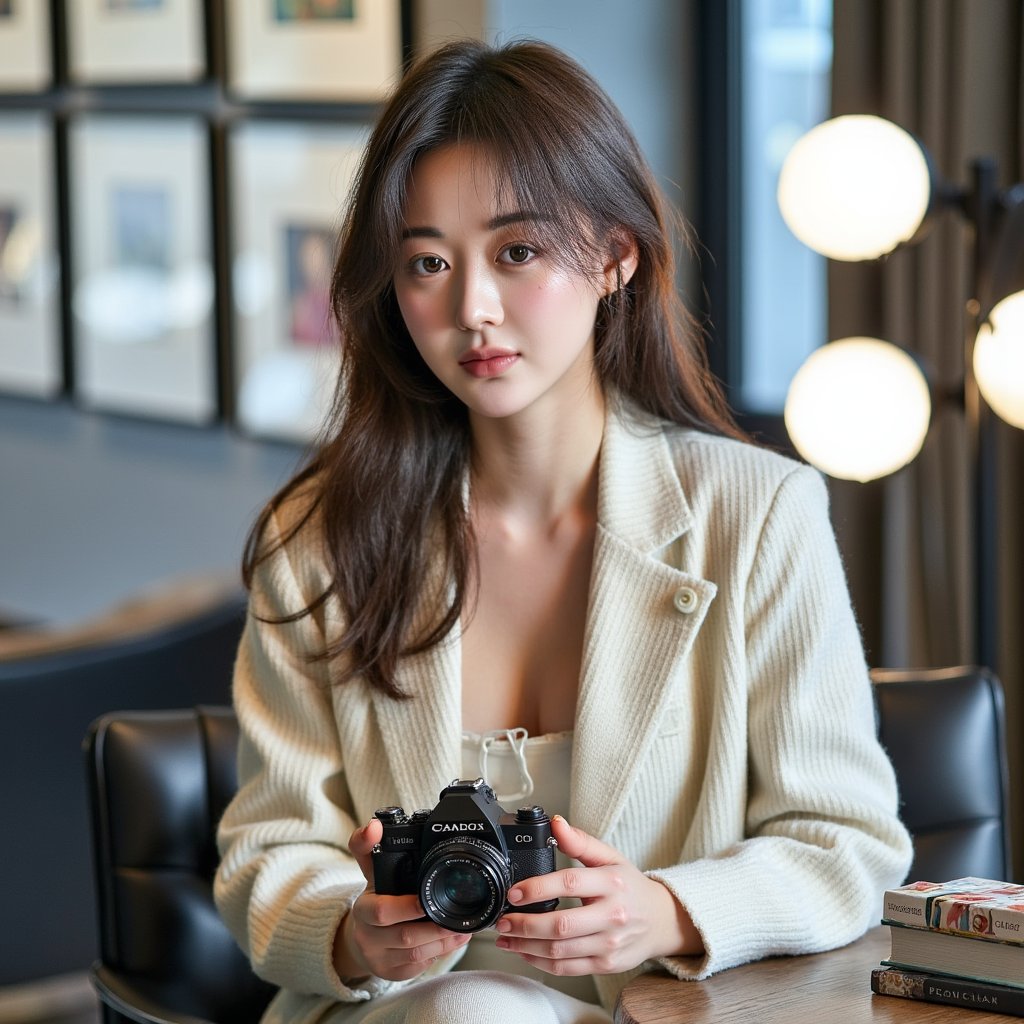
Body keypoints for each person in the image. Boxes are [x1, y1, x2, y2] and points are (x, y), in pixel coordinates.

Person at [214, 38, 913, 1024]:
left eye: (518, 252)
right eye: (426, 263)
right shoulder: (317, 539)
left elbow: (848, 843)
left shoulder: (757, 514)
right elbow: (270, 849)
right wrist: (349, 931)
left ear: (617, 256)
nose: (472, 308)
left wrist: (666, 910)